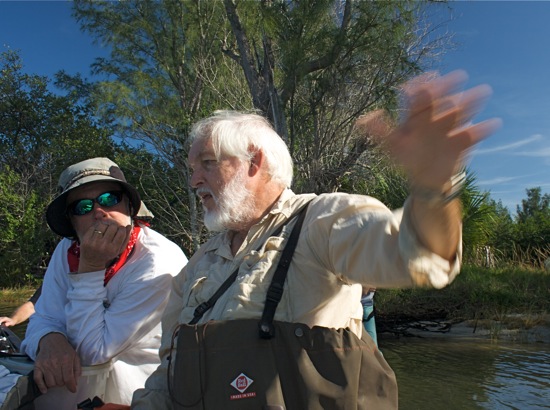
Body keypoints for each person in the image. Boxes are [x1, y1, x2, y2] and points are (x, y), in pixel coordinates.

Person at [132, 70, 501, 408]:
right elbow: (170, 372)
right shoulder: (196, 266)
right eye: (192, 168)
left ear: (254, 162)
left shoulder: (323, 221)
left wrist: (433, 188)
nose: (194, 180)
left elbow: (421, 254)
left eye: (208, 163)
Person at [20, 157, 188, 406]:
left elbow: (93, 352)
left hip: (144, 398)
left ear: (130, 207)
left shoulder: (158, 262)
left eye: (110, 199)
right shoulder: (65, 251)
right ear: (72, 222)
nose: (99, 211)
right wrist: (48, 339)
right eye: (82, 207)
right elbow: (42, 318)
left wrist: (90, 268)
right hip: (79, 396)